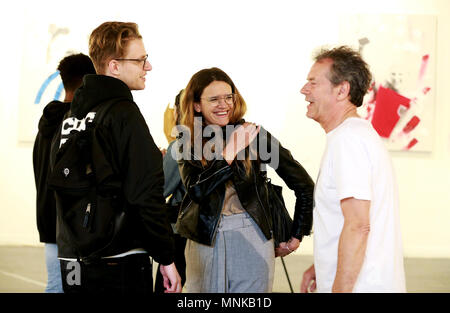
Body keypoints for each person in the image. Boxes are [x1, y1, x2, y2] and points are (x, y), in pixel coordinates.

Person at [53, 21, 181, 294]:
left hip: (72, 257)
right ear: (114, 66)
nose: (148, 67)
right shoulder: (123, 114)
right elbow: (146, 192)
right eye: (141, 60)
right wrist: (166, 257)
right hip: (119, 259)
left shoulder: (70, 118)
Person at [175, 67, 314, 293]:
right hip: (203, 240)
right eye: (214, 99)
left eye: (228, 97)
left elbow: (303, 184)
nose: (224, 105)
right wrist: (230, 151)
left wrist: (298, 233)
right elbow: (197, 190)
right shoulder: (187, 140)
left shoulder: (255, 135)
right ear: (197, 104)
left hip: (252, 235)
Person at [299, 46, 406, 293]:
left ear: (342, 89)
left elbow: (358, 225)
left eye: (313, 83)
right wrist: (323, 265)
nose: (304, 90)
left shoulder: (348, 140)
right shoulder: (354, 135)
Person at [33, 53, 96, 293]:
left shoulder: (45, 128)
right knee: (73, 289)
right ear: (88, 80)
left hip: (49, 224)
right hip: (70, 230)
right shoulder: (76, 125)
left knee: (57, 287)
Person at [155, 89, 187, 293]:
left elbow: (159, 189)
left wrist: (157, 168)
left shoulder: (180, 146)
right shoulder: (221, 141)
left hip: (179, 234)